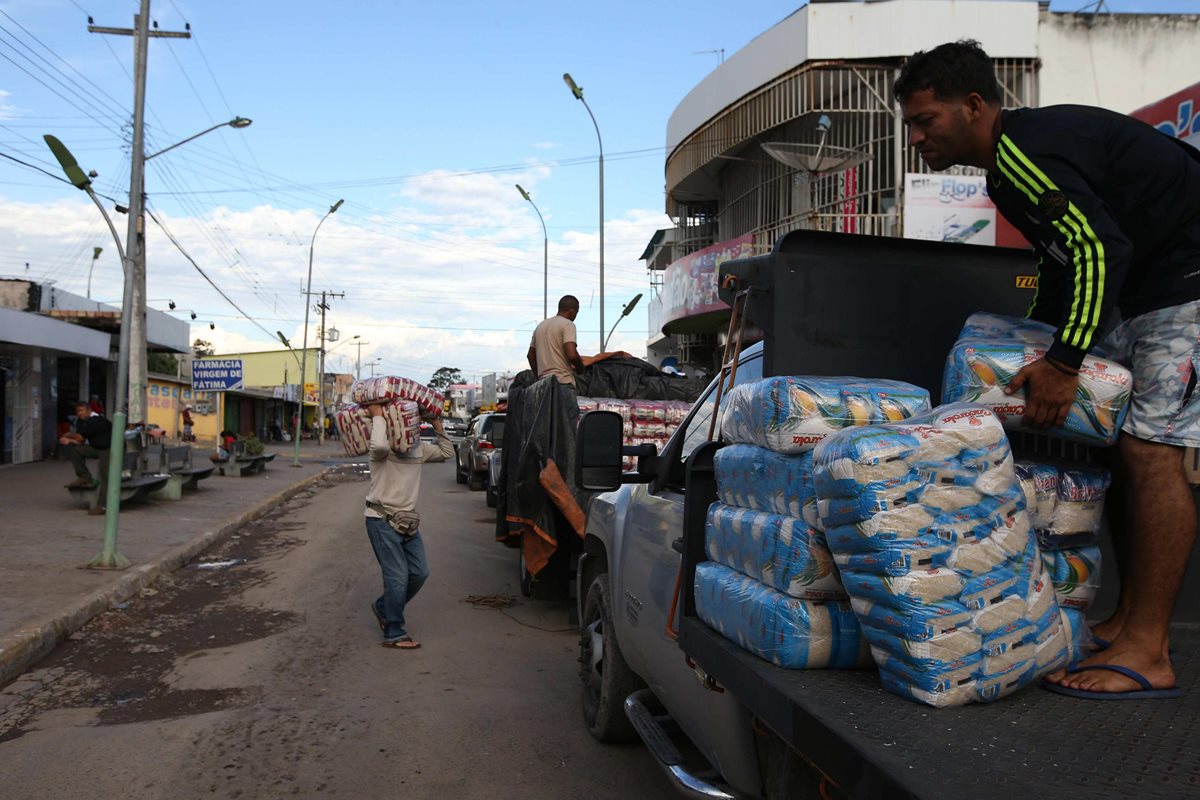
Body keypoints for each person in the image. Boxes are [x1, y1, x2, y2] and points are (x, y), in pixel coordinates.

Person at [895, 40, 1200, 699]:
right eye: (911, 125)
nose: (917, 136)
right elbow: (1066, 271)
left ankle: (1150, 650)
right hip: (1153, 283)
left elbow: (1099, 250)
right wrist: (1024, 345)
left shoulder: (1023, 152)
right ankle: (1128, 623)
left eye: (927, 120)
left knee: (1153, 450)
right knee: (1122, 447)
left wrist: (1062, 362)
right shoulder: (1008, 168)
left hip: (1188, 281)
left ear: (974, 106)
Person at [363, 405, 454, 649]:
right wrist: (378, 416)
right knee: (398, 577)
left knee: (420, 572)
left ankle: (383, 607)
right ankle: (394, 632)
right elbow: (379, 445)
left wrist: (436, 425)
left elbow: (447, 452)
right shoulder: (381, 450)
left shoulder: (418, 450)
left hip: (407, 521)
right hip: (380, 519)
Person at [59, 400, 113, 516]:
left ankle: (103, 505)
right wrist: (69, 441)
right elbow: (80, 440)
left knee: (106, 476)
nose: (79, 413)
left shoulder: (97, 420)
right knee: (76, 450)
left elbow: (79, 436)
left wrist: (68, 435)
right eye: (77, 411)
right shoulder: (81, 421)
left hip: (109, 450)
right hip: (96, 448)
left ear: (89, 410)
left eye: (82, 411)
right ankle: (84, 476)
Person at [527, 294, 586, 386]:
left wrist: (539, 376)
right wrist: (581, 368)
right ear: (572, 311)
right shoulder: (567, 324)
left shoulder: (540, 326)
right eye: (576, 312)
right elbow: (572, 355)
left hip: (543, 384)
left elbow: (530, 356)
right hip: (563, 383)